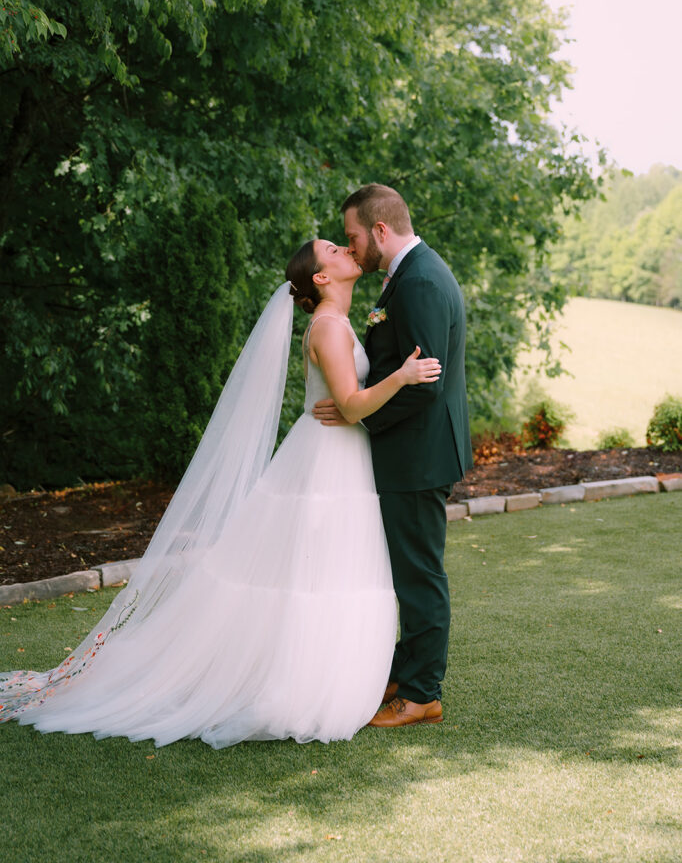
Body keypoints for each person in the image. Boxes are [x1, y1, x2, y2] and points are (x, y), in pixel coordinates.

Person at [0, 239, 441, 748]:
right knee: (317, 572)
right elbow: (350, 403)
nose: (345, 249)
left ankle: (336, 675)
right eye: (333, 249)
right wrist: (405, 376)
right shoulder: (327, 327)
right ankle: (308, 685)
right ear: (321, 277)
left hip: (337, 456)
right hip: (327, 461)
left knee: (326, 570)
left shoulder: (338, 323)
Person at [314, 185, 473, 728]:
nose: (351, 248)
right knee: (406, 571)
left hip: (418, 454)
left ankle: (423, 693)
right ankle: (406, 673)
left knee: (419, 576)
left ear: (380, 231)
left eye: (354, 237)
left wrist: (360, 414)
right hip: (413, 451)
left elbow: (425, 382)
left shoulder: (421, 280)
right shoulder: (409, 274)